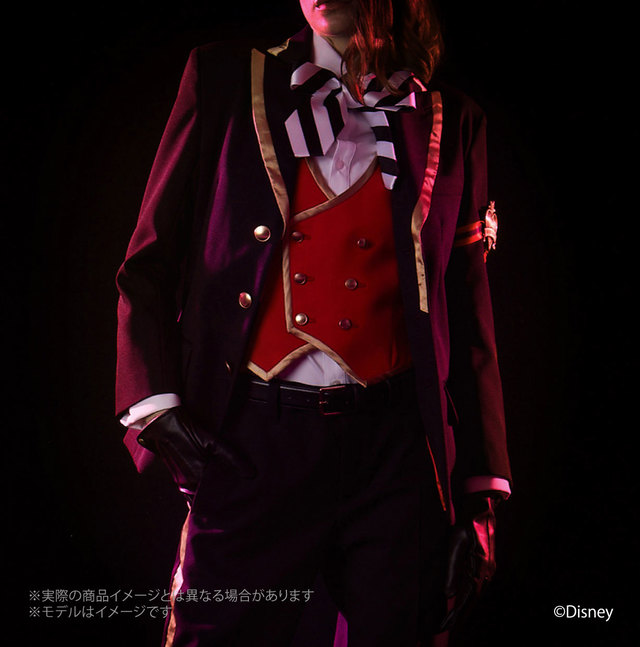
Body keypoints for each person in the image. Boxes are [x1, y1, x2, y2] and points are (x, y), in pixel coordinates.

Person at [115, 1, 512, 645]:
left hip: (397, 455)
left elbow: (467, 315)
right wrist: (153, 406)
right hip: (255, 441)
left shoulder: (453, 120)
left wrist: (480, 489)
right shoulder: (226, 78)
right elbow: (149, 262)